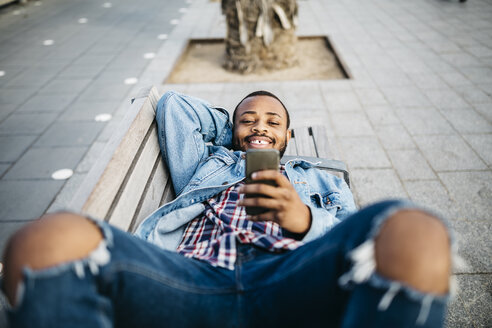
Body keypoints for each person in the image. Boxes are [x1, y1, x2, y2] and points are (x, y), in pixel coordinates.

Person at [1, 91, 454, 327]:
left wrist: (303, 220)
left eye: (273, 123)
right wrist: (240, 135)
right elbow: (175, 107)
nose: (260, 126)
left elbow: (348, 239)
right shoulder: (207, 161)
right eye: (248, 120)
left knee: (413, 229)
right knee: (46, 241)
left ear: (290, 137)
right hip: (188, 281)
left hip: (290, 277)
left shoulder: (321, 179)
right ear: (230, 130)